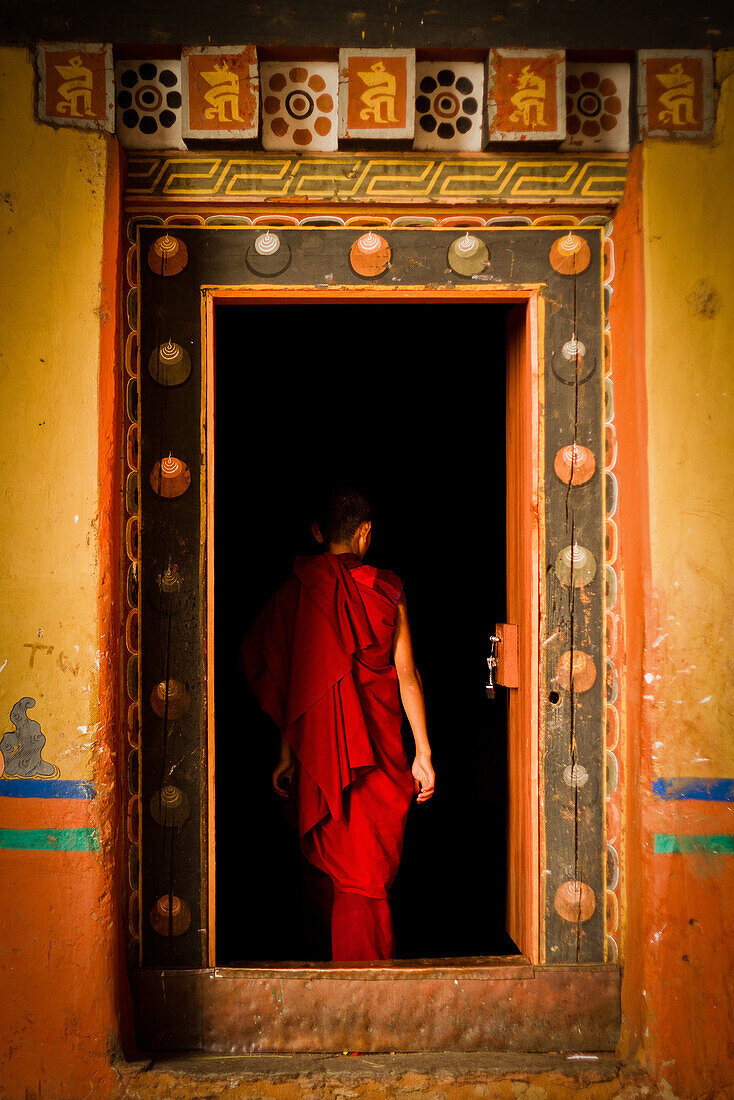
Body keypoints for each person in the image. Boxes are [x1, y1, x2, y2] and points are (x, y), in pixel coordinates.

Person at [240, 486, 435, 962]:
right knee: (363, 874)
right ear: (365, 532)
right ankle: (366, 997)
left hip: (320, 757)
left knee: (335, 869)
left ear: (317, 532)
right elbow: (406, 673)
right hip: (379, 758)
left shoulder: (297, 592)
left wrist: (287, 755)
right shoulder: (387, 590)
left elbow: (292, 682)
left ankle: (330, 993)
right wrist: (423, 753)